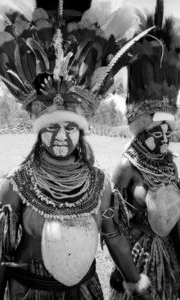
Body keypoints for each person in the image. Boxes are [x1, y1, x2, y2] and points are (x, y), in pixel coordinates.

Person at [0, 0, 154, 299]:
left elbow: (112, 236)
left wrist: (134, 279)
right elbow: (1, 252)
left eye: (70, 128)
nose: (61, 136)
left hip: (83, 291)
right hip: (30, 292)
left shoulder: (98, 184)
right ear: (39, 133)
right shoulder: (16, 185)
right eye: (51, 127)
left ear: (80, 132)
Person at [109, 1, 180, 299]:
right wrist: (124, 270)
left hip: (168, 261)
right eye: (156, 131)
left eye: (168, 130)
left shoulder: (170, 165)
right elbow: (110, 222)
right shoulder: (127, 166)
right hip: (137, 262)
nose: (164, 137)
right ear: (141, 129)